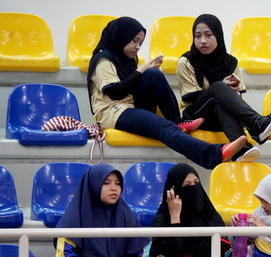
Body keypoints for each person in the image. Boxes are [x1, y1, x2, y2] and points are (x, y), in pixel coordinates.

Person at [87, 17, 246, 169]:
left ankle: (177, 122)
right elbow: (114, 92)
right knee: (165, 127)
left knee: (153, 75)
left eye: (140, 43)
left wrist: (146, 72)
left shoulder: (126, 60)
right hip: (113, 112)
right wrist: (141, 70)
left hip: (131, 107)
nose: (138, 47)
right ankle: (214, 155)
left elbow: (133, 86)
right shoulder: (103, 59)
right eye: (134, 41)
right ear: (121, 37)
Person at [177, 14, 271, 162]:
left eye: (208, 35)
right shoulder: (186, 61)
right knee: (218, 87)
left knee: (221, 104)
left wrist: (234, 91)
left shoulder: (231, 62)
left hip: (220, 117)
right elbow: (191, 97)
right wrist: (220, 88)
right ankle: (256, 124)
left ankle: (241, 150)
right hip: (196, 116)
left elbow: (237, 103)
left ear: (218, 36)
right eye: (197, 36)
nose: (203, 40)